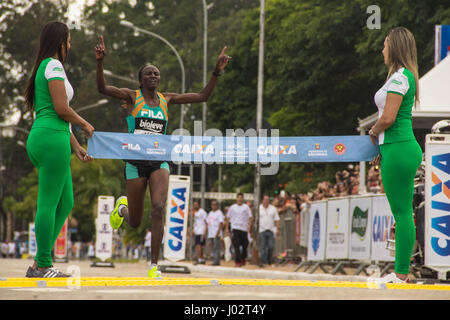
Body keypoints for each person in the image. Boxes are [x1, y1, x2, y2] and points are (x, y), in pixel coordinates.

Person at [94, 36, 231, 278]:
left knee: (158, 208)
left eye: (156, 74)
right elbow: (103, 89)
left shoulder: (167, 100)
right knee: (135, 222)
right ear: (141, 79)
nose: (154, 76)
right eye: (149, 74)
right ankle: (121, 208)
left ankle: (154, 265)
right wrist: (100, 63)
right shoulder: (131, 97)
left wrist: (216, 72)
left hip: (159, 161)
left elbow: (202, 97)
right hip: (135, 163)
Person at [24, 21, 94, 278]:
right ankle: (43, 264)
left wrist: (75, 145)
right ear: (60, 42)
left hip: (56, 138)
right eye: (69, 40)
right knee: (48, 202)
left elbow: (59, 116)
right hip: (50, 139)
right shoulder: (53, 65)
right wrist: (85, 123)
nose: (71, 45)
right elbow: (61, 109)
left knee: (65, 203)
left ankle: (39, 262)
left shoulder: (48, 66)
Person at [368, 27, 422, 284]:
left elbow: (388, 118)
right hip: (397, 147)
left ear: (396, 47)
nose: (382, 49)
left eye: (386, 44)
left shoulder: (401, 77)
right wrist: (381, 142)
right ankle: (401, 270)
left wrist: (373, 132)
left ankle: (400, 273)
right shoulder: (403, 77)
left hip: (398, 146)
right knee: (402, 213)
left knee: (401, 214)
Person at [225, 193, 253, 267]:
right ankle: (237, 261)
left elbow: (250, 217)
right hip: (235, 227)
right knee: (236, 244)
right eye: (238, 198)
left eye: (241, 198)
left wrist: (249, 226)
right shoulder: (232, 207)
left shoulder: (246, 207)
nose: (240, 199)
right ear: (236, 198)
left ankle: (243, 258)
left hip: (244, 228)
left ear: (243, 199)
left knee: (245, 245)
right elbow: (228, 218)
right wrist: (227, 228)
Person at [258, 195, 280, 267]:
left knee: (271, 246)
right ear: (262, 200)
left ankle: (269, 260)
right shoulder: (259, 208)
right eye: (265, 199)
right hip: (262, 230)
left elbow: (277, 219)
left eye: (268, 200)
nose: (266, 201)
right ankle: (263, 262)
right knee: (263, 246)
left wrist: (277, 229)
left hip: (271, 230)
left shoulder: (273, 209)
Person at [206, 200, 224, 266]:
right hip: (211, 233)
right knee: (213, 247)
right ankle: (215, 260)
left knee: (216, 248)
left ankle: (216, 261)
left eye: (214, 205)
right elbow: (208, 223)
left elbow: (221, 223)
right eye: (212, 205)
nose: (213, 206)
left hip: (216, 233)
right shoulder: (210, 213)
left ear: (217, 205)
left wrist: (218, 232)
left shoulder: (219, 213)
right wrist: (207, 232)